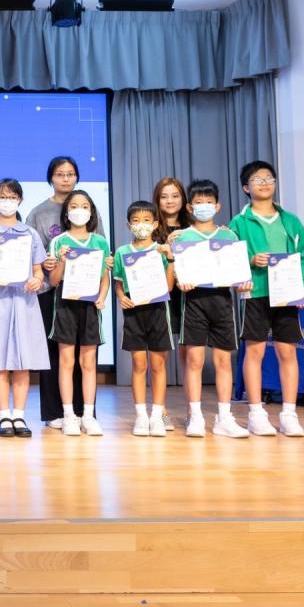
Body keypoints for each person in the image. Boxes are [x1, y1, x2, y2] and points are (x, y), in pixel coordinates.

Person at [229, 160, 304, 438]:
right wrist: (251, 261)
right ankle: (256, 413)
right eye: (257, 179)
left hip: (286, 294)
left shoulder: (291, 221)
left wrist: (302, 284)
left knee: (287, 351)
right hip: (255, 292)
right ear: (246, 187)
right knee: (255, 351)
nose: (264, 183)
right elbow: (231, 258)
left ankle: (289, 414)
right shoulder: (239, 222)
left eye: (269, 178)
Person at [172, 180, 251, 439]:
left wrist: (243, 283)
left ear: (217, 206)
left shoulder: (229, 237)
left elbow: (239, 273)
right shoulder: (183, 238)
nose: (203, 206)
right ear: (189, 207)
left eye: (208, 202)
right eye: (198, 202)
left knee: (223, 361)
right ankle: (195, 416)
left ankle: (224, 418)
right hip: (193, 303)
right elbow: (177, 273)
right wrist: (182, 281)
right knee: (194, 360)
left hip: (222, 303)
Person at [0, 180, 49, 438]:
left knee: (23, 362)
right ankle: (4, 415)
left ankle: (20, 415)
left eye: (12, 197)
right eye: (3, 196)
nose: (7, 201)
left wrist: (37, 279)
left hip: (25, 302)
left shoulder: (30, 234)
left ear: (20, 200)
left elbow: (38, 270)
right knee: (0, 361)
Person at [47, 189, 111, 436]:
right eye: (74, 206)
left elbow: (104, 277)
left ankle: (88, 415)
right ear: (66, 212)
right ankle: (68, 415)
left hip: (90, 307)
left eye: (85, 206)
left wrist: (102, 297)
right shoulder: (59, 241)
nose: (79, 210)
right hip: (65, 306)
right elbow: (53, 281)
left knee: (88, 361)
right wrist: (62, 261)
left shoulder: (100, 242)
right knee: (66, 361)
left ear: (91, 212)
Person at [29, 156, 85, 430]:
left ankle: (82, 410)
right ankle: (54, 411)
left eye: (70, 174)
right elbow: (31, 253)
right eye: (60, 174)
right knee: (52, 352)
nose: (65, 178)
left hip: (83, 290)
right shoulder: (39, 213)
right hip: (51, 290)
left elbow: (98, 245)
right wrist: (45, 264)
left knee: (82, 352)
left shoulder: (87, 206)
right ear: (51, 177)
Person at [112, 201, 175, 438]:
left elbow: (169, 286)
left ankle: (158, 416)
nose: (141, 225)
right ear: (129, 225)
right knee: (139, 364)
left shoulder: (161, 250)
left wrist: (170, 260)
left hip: (158, 310)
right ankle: (141, 415)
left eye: (147, 221)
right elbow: (119, 284)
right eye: (136, 221)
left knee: (158, 365)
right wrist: (121, 297)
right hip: (134, 312)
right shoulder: (122, 252)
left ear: (155, 224)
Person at [150, 176, 192, 432]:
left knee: (190, 356)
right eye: (164, 196)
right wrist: (164, 248)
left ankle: (192, 411)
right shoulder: (149, 227)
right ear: (157, 200)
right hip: (160, 296)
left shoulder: (194, 227)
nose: (170, 201)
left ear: (183, 199)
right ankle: (161, 410)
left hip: (189, 296)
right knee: (159, 356)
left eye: (175, 196)